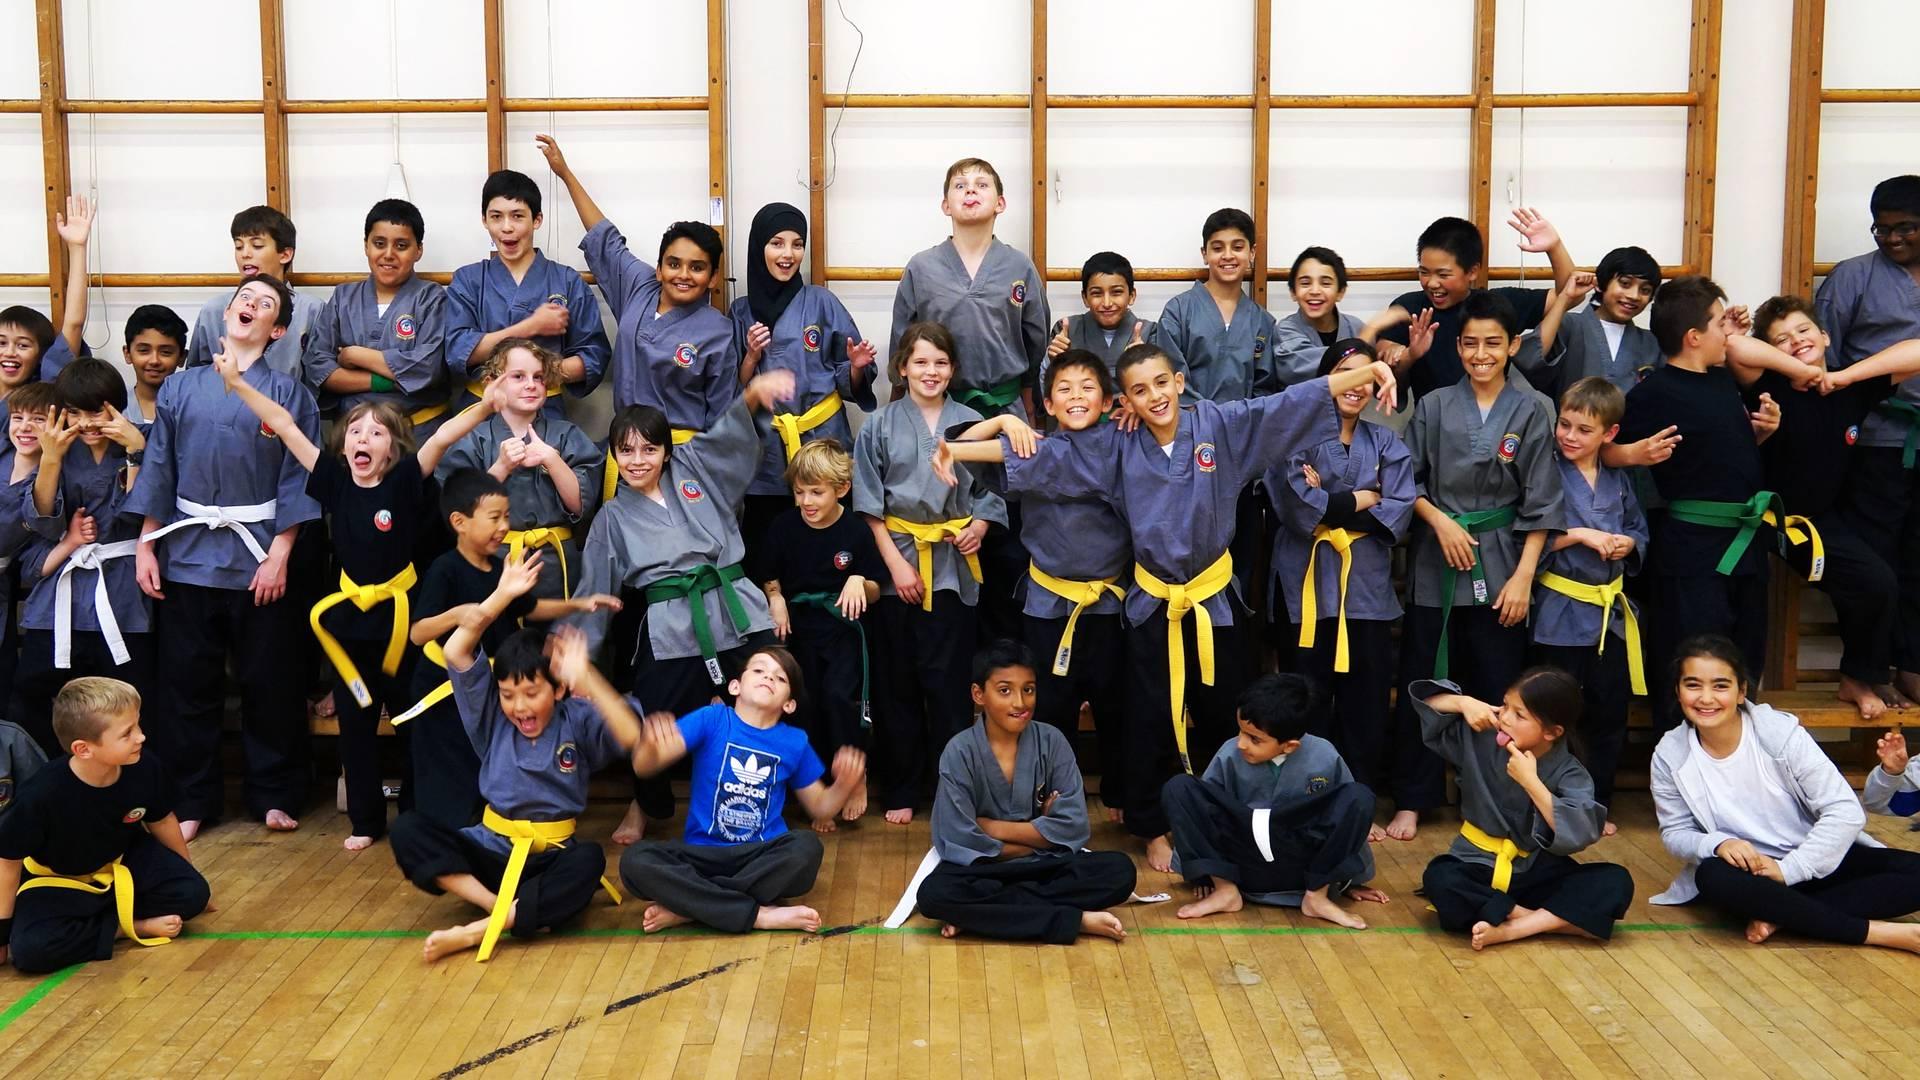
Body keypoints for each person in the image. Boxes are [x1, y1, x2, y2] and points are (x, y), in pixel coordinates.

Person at [933, 341, 1398, 870]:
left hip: (1214, 599)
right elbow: (1047, 455)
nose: (1153, 396)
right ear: (1125, 401)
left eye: (1160, 383)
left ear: (1179, 380)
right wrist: (959, 450)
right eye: (1138, 389)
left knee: (1228, 711)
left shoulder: (1222, 426)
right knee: (1150, 715)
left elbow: (1288, 403)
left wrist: (1365, 370)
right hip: (1153, 601)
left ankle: (1236, 818)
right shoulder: (1116, 446)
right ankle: (1153, 826)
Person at [214, 352, 498, 850]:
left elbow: (444, 436)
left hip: (404, 624)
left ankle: (419, 812)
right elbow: (282, 422)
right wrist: (236, 382)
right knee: (357, 728)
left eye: (376, 433)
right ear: (343, 446)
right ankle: (366, 821)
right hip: (349, 630)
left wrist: (486, 405)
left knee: (413, 722)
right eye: (355, 432)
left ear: (392, 449)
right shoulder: (333, 480)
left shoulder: (408, 480)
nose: (363, 439)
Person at [128, 277, 321, 839]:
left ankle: (276, 793)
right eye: (244, 300)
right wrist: (147, 541)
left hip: (259, 552)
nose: (251, 307)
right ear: (227, 313)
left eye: (265, 305)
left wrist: (282, 552)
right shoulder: (181, 387)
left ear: (277, 328)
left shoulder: (289, 395)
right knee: (187, 684)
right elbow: (159, 464)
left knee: (270, 681)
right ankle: (190, 799)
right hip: (187, 552)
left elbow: (299, 478)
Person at [572, 372, 798, 844]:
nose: (638, 460)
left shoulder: (694, 470)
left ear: (667, 451)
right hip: (673, 623)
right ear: (614, 455)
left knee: (781, 689)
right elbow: (594, 594)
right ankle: (647, 804)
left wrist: (752, 396)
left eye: (649, 449)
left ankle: (777, 797)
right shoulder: (612, 518)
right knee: (655, 717)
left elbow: (729, 443)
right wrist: (581, 665)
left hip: (737, 608)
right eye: (627, 451)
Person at [389, 580, 637, 964]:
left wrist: (587, 677)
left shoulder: (577, 718)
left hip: (549, 856)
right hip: (491, 849)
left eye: (531, 693)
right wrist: (500, 597)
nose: (519, 707)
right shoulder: (490, 718)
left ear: (557, 691)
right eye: (508, 694)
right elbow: (456, 648)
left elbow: (630, 733)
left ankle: (483, 927)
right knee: (408, 830)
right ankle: (499, 912)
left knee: (588, 861)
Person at [1392, 291, 1563, 840]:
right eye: (1470, 343)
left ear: (1514, 345)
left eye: (1493, 343)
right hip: (1436, 561)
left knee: (1499, 690)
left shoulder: (1534, 407)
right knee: (1425, 676)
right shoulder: (1437, 404)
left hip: (1504, 559)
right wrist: (1439, 522)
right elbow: (1405, 481)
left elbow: (1543, 501)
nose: (1481, 354)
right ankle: (1413, 798)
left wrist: (1522, 577)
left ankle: (1492, 801)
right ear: (1456, 345)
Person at [947, 350, 1132, 820]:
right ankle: (1055, 802)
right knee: (1052, 709)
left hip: (1111, 602)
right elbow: (953, 443)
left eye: (1088, 388)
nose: (1076, 396)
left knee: (1118, 705)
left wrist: (1134, 402)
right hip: (1049, 602)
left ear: (1109, 401)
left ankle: (1122, 797)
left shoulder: (1127, 443)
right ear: (1047, 404)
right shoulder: (1034, 447)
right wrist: (1003, 425)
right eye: (1064, 389)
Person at [1650, 635, 1920, 953]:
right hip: (1750, 874)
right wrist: (1718, 843)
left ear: (1742, 692)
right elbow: (1675, 833)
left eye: (1721, 686)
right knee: (1711, 876)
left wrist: (1790, 869)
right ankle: (1878, 933)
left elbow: (1846, 810)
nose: (1706, 698)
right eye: (1693, 685)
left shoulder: (1781, 734)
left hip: (1813, 860)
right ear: (1678, 691)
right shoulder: (1670, 752)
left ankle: (1784, 914)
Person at [1731, 295, 1920, 720]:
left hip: (1827, 515)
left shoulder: (1848, 387)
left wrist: (1844, 377)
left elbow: (1917, 351)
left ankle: (1860, 675)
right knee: (1870, 580)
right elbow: (1736, 348)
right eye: (1781, 339)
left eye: (1803, 331)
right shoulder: (1770, 385)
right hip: (1776, 518)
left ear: (1824, 335)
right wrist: (1801, 371)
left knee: (1879, 578)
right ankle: (1852, 678)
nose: (1795, 341)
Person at [395, 470, 616, 831]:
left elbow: (527, 609)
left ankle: (489, 834)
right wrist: (456, 615)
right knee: (446, 771)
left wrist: (579, 604)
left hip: (491, 689)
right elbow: (418, 633)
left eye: (507, 516)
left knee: (485, 769)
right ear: (459, 522)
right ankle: (443, 835)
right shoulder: (444, 569)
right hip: (443, 691)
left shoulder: (500, 568)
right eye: (494, 517)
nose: (504, 526)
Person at [855, 324, 1007, 825]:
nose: (930, 372)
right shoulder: (878, 424)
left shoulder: (972, 423)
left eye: (940, 362)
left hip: (953, 565)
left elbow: (993, 487)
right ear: (902, 367)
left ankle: (952, 789)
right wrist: (895, 565)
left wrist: (980, 527)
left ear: (953, 369)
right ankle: (900, 786)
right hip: (898, 559)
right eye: (920, 362)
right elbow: (870, 506)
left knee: (948, 687)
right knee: (896, 683)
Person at [1616, 277, 1781, 724]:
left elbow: (1717, 454)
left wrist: (1756, 437)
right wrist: (1634, 453)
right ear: (1694, 338)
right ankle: (1678, 774)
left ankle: (1737, 765)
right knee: (1689, 659)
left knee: (1743, 660)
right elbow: (1599, 449)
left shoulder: (1723, 382)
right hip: (1691, 549)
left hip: (1745, 543)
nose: (1726, 335)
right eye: (1717, 326)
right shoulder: (1653, 392)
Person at [1267, 340, 1413, 839]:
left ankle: (1358, 801)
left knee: (1366, 703)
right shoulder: (1294, 440)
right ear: (1328, 379)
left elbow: (1400, 506)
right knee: (1306, 700)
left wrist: (1332, 500)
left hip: (1366, 592)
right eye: (1345, 373)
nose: (1357, 385)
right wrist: (1360, 497)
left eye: (1366, 375)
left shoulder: (1388, 444)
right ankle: (1308, 801)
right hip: (1305, 587)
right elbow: (1297, 508)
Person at [620, 647, 865, 934]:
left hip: (758, 856)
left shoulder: (794, 741)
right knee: (634, 861)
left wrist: (843, 786)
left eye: (780, 678)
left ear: (789, 705)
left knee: (806, 849)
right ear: (735, 685)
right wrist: (649, 746)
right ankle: (757, 915)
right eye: (759, 670)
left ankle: (692, 907)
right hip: (701, 856)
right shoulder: (712, 719)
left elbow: (821, 808)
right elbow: (644, 766)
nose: (768, 678)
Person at [914, 640, 1134, 943]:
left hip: (1043, 867)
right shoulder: (960, 751)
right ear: (979, 694)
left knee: (1120, 871)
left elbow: (1074, 827)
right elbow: (958, 838)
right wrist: (1042, 838)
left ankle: (983, 916)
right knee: (934, 894)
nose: (1020, 702)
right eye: (1005, 690)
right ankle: (1073, 919)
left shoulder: (1052, 741)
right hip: (987, 871)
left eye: (1028, 689)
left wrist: (991, 826)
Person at [0, 677, 210, 973]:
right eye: (127, 734)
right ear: (84, 749)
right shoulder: (42, 794)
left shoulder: (144, 767)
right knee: (31, 951)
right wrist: (0, 935)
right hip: (60, 878)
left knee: (193, 895)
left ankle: (93, 923)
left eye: (138, 726)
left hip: (122, 860)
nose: (141, 737)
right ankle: (126, 928)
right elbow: (8, 862)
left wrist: (191, 875)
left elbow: (162, 819)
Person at [1411, 668, 1631, 950]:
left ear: (1552, 732)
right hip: (1477, 862)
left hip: (1536, 869)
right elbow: (1426, 703)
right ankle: (1545, 921)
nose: (1505, 718)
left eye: (1520, 715)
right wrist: (1462, 702)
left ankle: (1511, 928)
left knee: (1615, 880)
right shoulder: (1481, 738)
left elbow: (1580, 833)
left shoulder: (1569, 772)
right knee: (1440, 878)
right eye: (1505, 706)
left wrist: (1531, 782)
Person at [538, 133, 739, 442]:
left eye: (697, 268)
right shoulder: (639, 286)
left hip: (684, 457)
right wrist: (564, 172)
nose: (683, 275)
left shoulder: (719, 332)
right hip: (626, 451)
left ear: (713, 278)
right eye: (674, 264)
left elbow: (723, 421)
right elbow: (604, 236)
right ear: (658, 268)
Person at [1161, 674, 1389, 927]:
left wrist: (1348, 880)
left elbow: (1345, 816)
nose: (1241, 744)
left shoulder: (1325, 754)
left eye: (1255, 739)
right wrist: (1205, 876)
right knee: (1179, 787)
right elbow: (1204, 814)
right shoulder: (1229, 752)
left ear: (1289, 746)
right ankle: (1225, 891)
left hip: (1303, 868)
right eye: (1241, 732)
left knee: (1359, 796)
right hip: (1242, 862)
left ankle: (1317, 897)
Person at [10, 361, 155, 755]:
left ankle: (127, 787)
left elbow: (141, 510)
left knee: (130, 697)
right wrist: (52, 459)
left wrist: (137, 450)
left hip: (122, 587)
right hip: (61, 589)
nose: (87, 423)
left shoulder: (144, 438)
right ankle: (45, 785)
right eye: (75, 413)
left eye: (97, 411)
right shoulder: (52, 445)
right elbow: (40, 519)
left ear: (117, 407)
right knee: (38, 697)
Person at [1820, 175, 1920, 707]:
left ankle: (1913, 664)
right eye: (1882, 229)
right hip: (1877, 437)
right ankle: (1870, 668)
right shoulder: (1853, 278)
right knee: (1874, 564)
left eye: (1905, 228)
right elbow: (1826, 361)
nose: (1892, 239)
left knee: (1919, 561)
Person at [1531, 377, 1647, 829]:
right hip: (1559, 609)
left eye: (1583, 430)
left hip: (1610, 613)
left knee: (1607, 709)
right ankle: (1548, 799)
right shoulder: (1546, 470)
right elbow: (1528, 534)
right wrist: (1578, 535)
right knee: (1554, 711)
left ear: (1609, 435)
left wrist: (1627, 543)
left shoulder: (1618, 478)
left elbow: (1639, 528)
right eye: (1565, 425)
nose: (1570, 436)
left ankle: (1596, 802)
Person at [751, 438, 883, 831]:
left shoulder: (856, 531)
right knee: (803, 706)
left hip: (843, 629)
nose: (807, 501)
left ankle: (853, 778)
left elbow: (877, 585)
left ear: (840, 490)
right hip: (799, 630)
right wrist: (775, 597)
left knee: (841, 700)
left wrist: (860, 580)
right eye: (800, 492)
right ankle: (821, 787)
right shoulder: (784, 526)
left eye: (817, 492)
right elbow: (767, 573)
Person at [730, 201, 878, 544]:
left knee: (831, 546)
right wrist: (752, 356)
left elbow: (849, 380)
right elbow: (731, 390)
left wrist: (856, 368)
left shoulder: (822, 302)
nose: (788, 253)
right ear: (758, 247)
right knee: (768, 546)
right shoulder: (741, 312)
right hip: (766, 448)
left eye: (797, 244)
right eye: (777, 243)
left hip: (824, 440)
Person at [436, 339, 600, 604]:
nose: (530, 385)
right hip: (494, 561)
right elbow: (460, 510)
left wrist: (552, 460)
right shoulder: (474, 439)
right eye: (518, 376)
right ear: (492, 382)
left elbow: (580, 505)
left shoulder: (567, 435)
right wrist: (501, 467)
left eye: (538, 377)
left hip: (556, 565)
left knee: (555, 639)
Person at [890, 158, 1050, 422]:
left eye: (982, 184)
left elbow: (1037, 339)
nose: (971, 191)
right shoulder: (921, 268)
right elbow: (901, 341)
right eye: (960, 185)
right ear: (946, 206)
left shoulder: (1019, 267)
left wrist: (1030, 395)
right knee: (940, 465)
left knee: (1007, 463)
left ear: (1000, 203)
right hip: (936, 407)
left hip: (1006, 407)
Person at [444, 168, 609, 415]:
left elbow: (593, 357)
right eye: (496, 216)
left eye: (518, 216)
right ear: (484, 220)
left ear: (537, 220)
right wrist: (531, 326)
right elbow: (458, 351)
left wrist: (535, 377)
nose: (506, 227)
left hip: (545, 412)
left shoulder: (567, 281)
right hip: (480, 411)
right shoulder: (468, 280)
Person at [1368, 210, 1574, 396]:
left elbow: (1569, 294)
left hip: (1496, 418)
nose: (1431, 283)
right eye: (1423, 272)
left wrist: (1554, 247)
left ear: (1472, 272)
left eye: (1443, 274)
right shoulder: (1408, 308)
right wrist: (1407, 354)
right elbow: (1386, 370)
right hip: (1432, 423)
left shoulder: (1498, 304)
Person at [303, 198, 454, 434]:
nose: (389, 254)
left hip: (418, 433)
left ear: (419, 250)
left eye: (401, 245)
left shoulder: (431, 298)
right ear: (366, 246)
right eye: (379, 243)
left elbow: (427, 368)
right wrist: (386, 380)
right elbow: (319, 368)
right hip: (352, 436)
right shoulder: (344, 297)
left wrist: (355, 355)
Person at [184, 205, 320, 380]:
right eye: (239, 247)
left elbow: (319, 378)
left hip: (289, 405)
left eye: (257, 245)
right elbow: (195, 376)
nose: (245, 254)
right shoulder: (214, 309)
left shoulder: (311, 309)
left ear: (285, 254)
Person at [1158, 208, 1279, 403]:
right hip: (1189, 426)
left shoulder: (1262, 321)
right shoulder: (1178, 311)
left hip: (1244, 426)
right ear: (1204, 254)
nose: (1228, 255)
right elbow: (1168, 376)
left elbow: (1264, 389)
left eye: (1238, 247)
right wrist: (1204, 419)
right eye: (1217, 248)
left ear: (1252, 252)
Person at [1533, 246, 1663, 398]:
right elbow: (1532, 359)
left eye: (1645, 290)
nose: (1634, 295)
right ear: (1601, 284)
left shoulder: (1652, 343)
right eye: (1625, 283)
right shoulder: (1569, 326)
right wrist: (1564, 298)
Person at [1042, 250, 1183, 384]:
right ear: (1085, 298)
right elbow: (1049, 391)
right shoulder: (1066, 331)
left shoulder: (1151, 333)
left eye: (1116, 292)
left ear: (1132, 296)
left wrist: (1146, 364)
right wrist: (1053, 361)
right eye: (1097, 293)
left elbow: (1162, 387)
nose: (1107, 303)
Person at [15, 193, 93, 388]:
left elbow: (74, 324)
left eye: (23, 345)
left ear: (42, 356)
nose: (9, 352)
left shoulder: (45, 386)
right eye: (1, 343)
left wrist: (77, 248)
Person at [1273, 247, 1365, 389]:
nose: (1315, 291)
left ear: (1340, 292)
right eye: (1305, 283)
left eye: (1326, 283)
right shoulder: (1285, 330)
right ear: (1293, 292)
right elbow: (1325, 366)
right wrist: (1368, 337)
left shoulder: (1356, 327)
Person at [119, 305, 188, 430]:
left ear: (182, 357)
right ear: (127, 354)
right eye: (144, 350)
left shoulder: (193, 411)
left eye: (166, 352)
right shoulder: (114, 409)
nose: (154, 361)